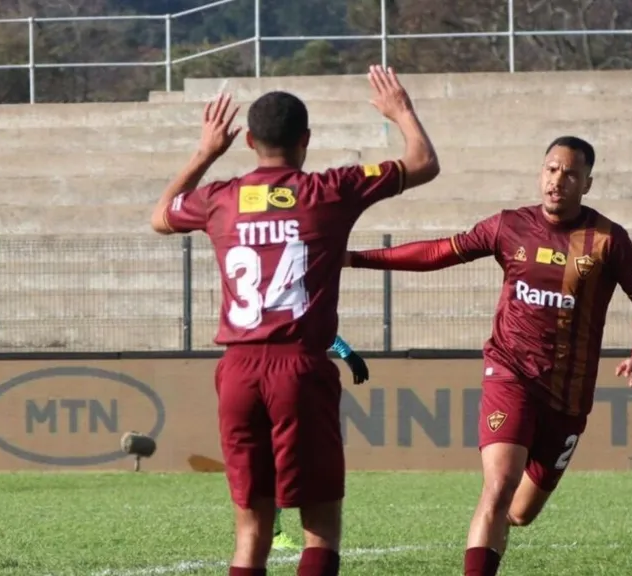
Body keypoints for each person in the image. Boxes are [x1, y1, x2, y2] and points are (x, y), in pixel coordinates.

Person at [148, 65, 439, 576]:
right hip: (299, 370)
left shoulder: (220, 197)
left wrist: (204, 152)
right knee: (320, 526)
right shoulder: (330, 190)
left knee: (252, 530)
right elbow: (423, 163)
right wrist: (401, 111)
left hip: (237, 372)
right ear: (306, 140)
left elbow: (160, 216)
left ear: (250, 140)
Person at [345, 136, 632, 576]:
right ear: (541, 173)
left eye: (570, 173)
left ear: (587, 184)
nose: (558, 180)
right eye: (551, 169)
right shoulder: (508, 226)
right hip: (510, 373)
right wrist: (354, 259)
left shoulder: (608, 240)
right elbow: (439, 252)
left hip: (568, 395)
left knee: (520, 512)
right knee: (497, 487)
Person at [272, 334, 369, 552]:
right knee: (283, 456)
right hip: (279, 379)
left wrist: (347, 353)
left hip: (276, 377)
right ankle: (273, 531)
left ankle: (270, 530)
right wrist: (347, 353)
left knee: (290, 457)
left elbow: (317, 325)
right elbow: (316, 324)